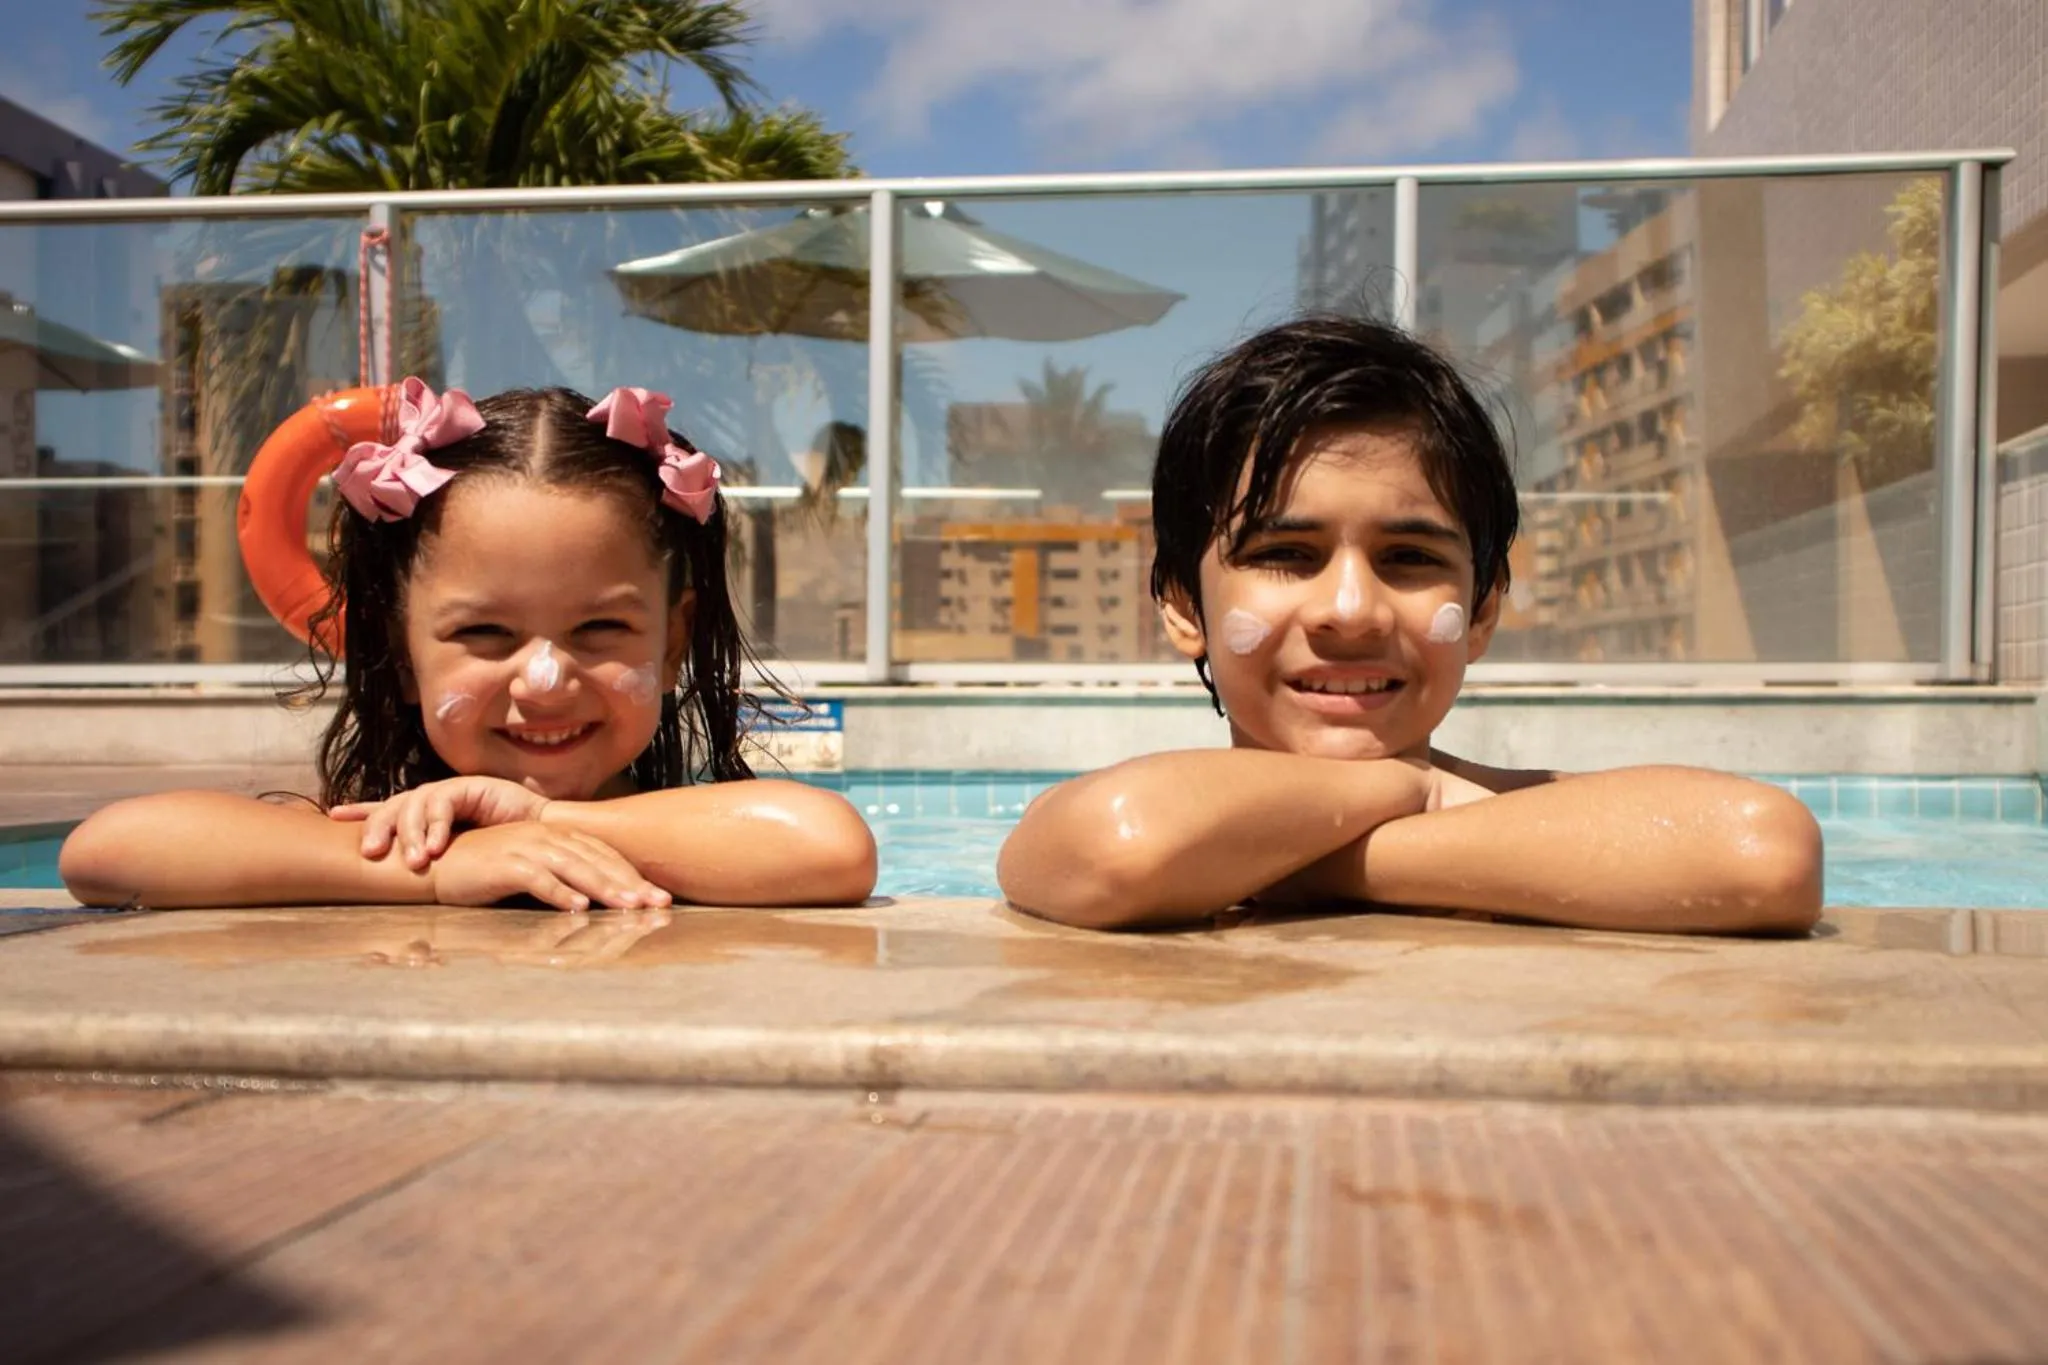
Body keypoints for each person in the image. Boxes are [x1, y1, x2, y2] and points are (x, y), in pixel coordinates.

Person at [997, 315, 1823, 935]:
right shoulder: (1482, 812)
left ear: (1485, 608)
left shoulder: (1508, 806)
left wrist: (1356, 843)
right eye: (1287, 552)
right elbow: (1111, 846)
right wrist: (1408, 787)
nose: (1351, 610)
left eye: (1409, 558)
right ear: (1184, 605)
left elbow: (1765, 851)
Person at [61, 380, 876, 912]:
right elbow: (107, 851)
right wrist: (431, 869)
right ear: (402, 653)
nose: (547, 680)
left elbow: (831, 847)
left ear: (672, 643)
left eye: (600, 629)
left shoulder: (716, 840)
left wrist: (535, 816)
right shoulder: (383, 831)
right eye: (486, 633)